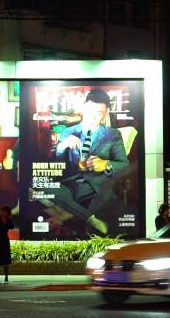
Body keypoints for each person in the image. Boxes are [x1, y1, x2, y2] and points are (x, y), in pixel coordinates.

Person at [51, 89, 130, 234]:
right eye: (91, 110)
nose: (94, 116)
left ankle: (73, 214)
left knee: (90, 225)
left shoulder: (112, 134)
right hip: (71, 185)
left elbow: (125, 165)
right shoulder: (68, 132)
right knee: (46, 189)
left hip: (98, 188)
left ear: (105, 113)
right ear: (84, 107)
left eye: (99, 113)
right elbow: (57, 165)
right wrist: (61, 147)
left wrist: (105, 164)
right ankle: (89, 219)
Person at [0, 206, 14, 284]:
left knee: (6, 260)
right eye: (2, 211)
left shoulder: (9, 220)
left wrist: (7, 220)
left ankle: (6, 278)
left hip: (5, 241)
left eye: (5, 211)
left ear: (8, 213)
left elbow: (12, 227)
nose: (3, 213)